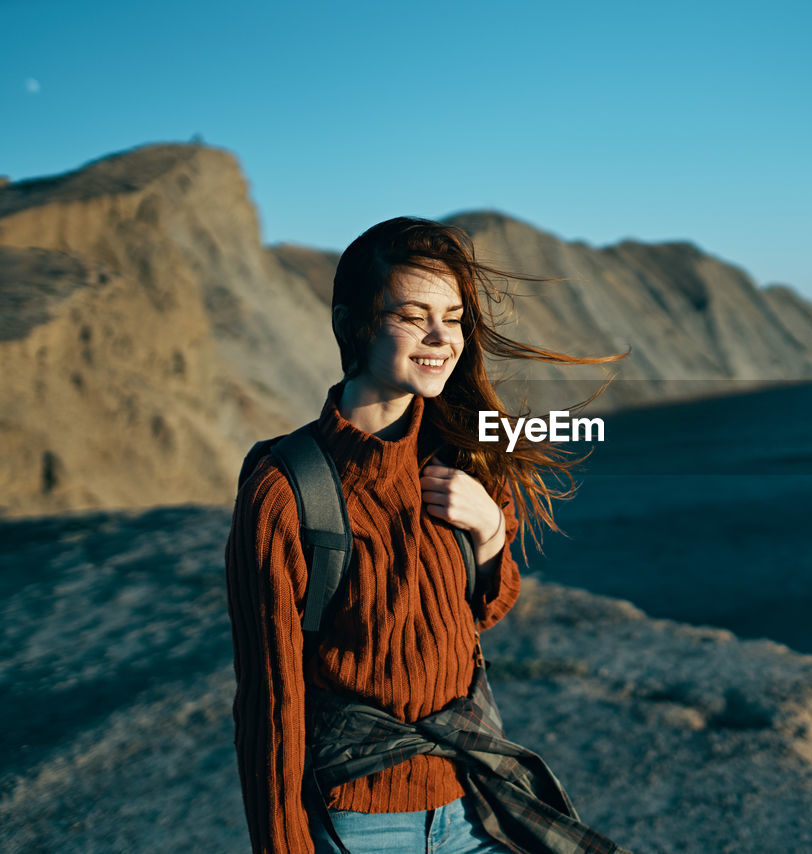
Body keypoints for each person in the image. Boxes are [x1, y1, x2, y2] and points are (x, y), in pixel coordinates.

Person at [224, 217, 625, 854]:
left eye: (454, 316)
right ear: (354, 322)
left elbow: (480, 610)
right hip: (359, 822)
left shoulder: (462, 451)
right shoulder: (286, 488)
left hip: (470, 803)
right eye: (414, 316)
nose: (441, 337)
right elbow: (271, 700)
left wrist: (491, 531)